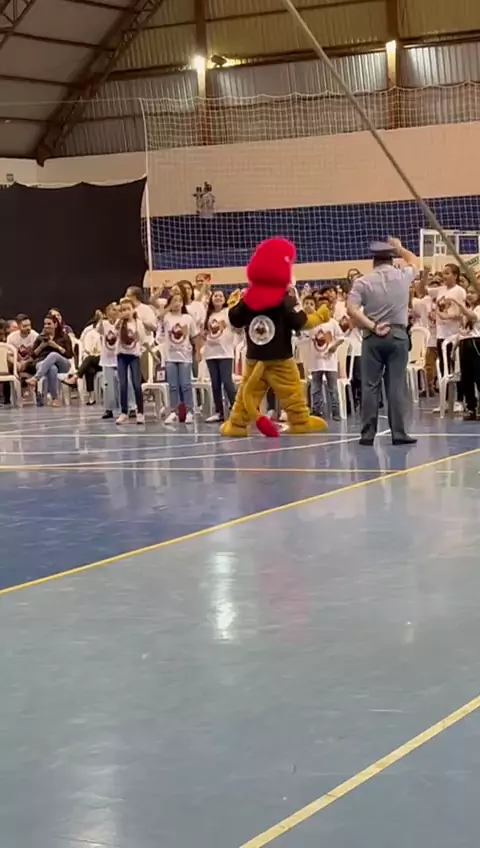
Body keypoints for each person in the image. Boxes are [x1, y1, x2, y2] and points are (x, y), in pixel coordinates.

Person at [221, 237, 328, 437]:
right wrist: (321, 316)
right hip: (281, 358)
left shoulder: (248, 299)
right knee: (292, 392)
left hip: (255, 357)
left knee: (248, 392)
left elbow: (234, 319)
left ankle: (237, 424)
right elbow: (300, 322)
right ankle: (300, 421)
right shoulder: (284, 301)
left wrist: (235, 302)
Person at [347, 238, 418, 446]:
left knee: (370, 386)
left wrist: (372, 325)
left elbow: (351, 309)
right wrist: (400, 247)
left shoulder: (362, 282)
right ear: (391, 259)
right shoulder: (403, 276)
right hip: (398, 336)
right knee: (396, 385)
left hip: (373, 337)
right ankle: (399, 434)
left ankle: (367, 434)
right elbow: (414, 261)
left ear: (374, 261)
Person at [161, 291, 200, 425]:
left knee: (185, 385)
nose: (177, 304)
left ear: (183, 303)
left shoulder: (187, 318)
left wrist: (198, 352)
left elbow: (195, 336)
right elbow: (158, 317)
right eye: (174, 301)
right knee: (173, 386)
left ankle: (189, 411)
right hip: (170, 356)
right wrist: (168, 308)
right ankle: (174, 412)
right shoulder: (166, 317)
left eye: (179, 301)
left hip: (185, 356)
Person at [202, 289, 237, 423]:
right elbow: (204, 331)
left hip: (225, 352)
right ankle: (219, 412)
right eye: (215, 295)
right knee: (215, 383)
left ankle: (235, 408)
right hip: (211, 353)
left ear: (224, 299)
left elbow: (236, 327)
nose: (217, 297)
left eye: (220, 296)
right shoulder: (208, 314)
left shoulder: (228, 312)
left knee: (227, 381)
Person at [28, 313, 73, 406]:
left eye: (49, 324)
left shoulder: (64, 337)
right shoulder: (40, 337)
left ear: (55, 324)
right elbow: (32, 355)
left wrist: (56, 346)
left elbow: (69, 354)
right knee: (52, 369)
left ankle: (36, 378)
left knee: (53, 355)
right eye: (45, 324)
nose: (46, 326)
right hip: (42, 362)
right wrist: (41, 346)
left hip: (62, 363)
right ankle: (55, 398)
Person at [451, 287, 480, 420]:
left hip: (476, 342)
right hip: (465, 343)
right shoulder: (468, 309)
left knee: (478, 376)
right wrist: (454, 348)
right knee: (466, 378)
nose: (469, 295)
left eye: (472, 292)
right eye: (468, 292)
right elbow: (462, 332)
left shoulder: (477, 309)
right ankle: (471, 407)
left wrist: (459, 304)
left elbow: (472, 316)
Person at [115, 297, 146, 425]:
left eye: (128, 309)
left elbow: (142, 339)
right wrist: (119, 319)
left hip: (134, 356)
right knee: (123, 384)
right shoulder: (120, 323)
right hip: (122, 356)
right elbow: (114, 332)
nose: (126, 312)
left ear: (133, 310)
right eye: (123, 310)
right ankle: (124, 412)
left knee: (136, 384)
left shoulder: (138, 323)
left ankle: (140, 412)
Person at [309, 312, 344, 421]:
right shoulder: (313, 323)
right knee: (315, 388)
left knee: (333, 388)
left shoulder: (333, 322)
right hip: (316, 361)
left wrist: (335, 346)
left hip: (330, 361)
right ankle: (316, 411)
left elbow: (341, 337)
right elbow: (304, 335)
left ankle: (336, 412)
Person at [65, 314, 102, 404]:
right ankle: (92, 396)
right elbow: (88, 350)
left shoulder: (109, 333)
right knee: (89, 369)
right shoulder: (91, 334)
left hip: (106, 361)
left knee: (89, 360)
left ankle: (76, 376)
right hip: (95, 361)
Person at [7, 314, 38, 378]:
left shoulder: (35, 336)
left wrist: (25, 363)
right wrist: (16, 364)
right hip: (16, 364)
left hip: (30, 364)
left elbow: (37, 355)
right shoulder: (11, 337)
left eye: (29, 325)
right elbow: (9, 356)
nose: (28, 328)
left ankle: (26, 377)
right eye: (25, 326)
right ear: (18, 326)